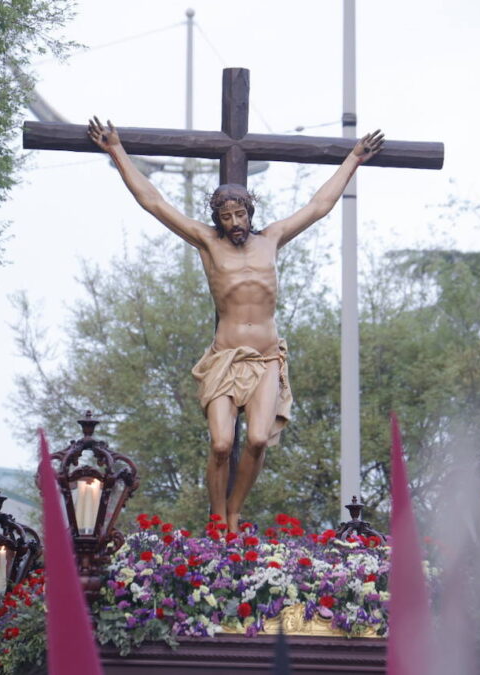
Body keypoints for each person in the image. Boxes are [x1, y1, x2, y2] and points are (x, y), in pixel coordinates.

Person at [87, 116, 384, 531]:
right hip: (226, 358)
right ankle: (215, 513)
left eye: (239, 213)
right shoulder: (207, 243)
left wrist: (353, 158)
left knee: (259, 440)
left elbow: (319, 206)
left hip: (264, 359)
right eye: (226, 216)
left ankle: (235, 511)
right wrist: (117, 151)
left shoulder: (272, 239)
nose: (234, 223)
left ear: (250, 212)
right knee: (222, 443)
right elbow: (154, 202)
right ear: (218, 219)